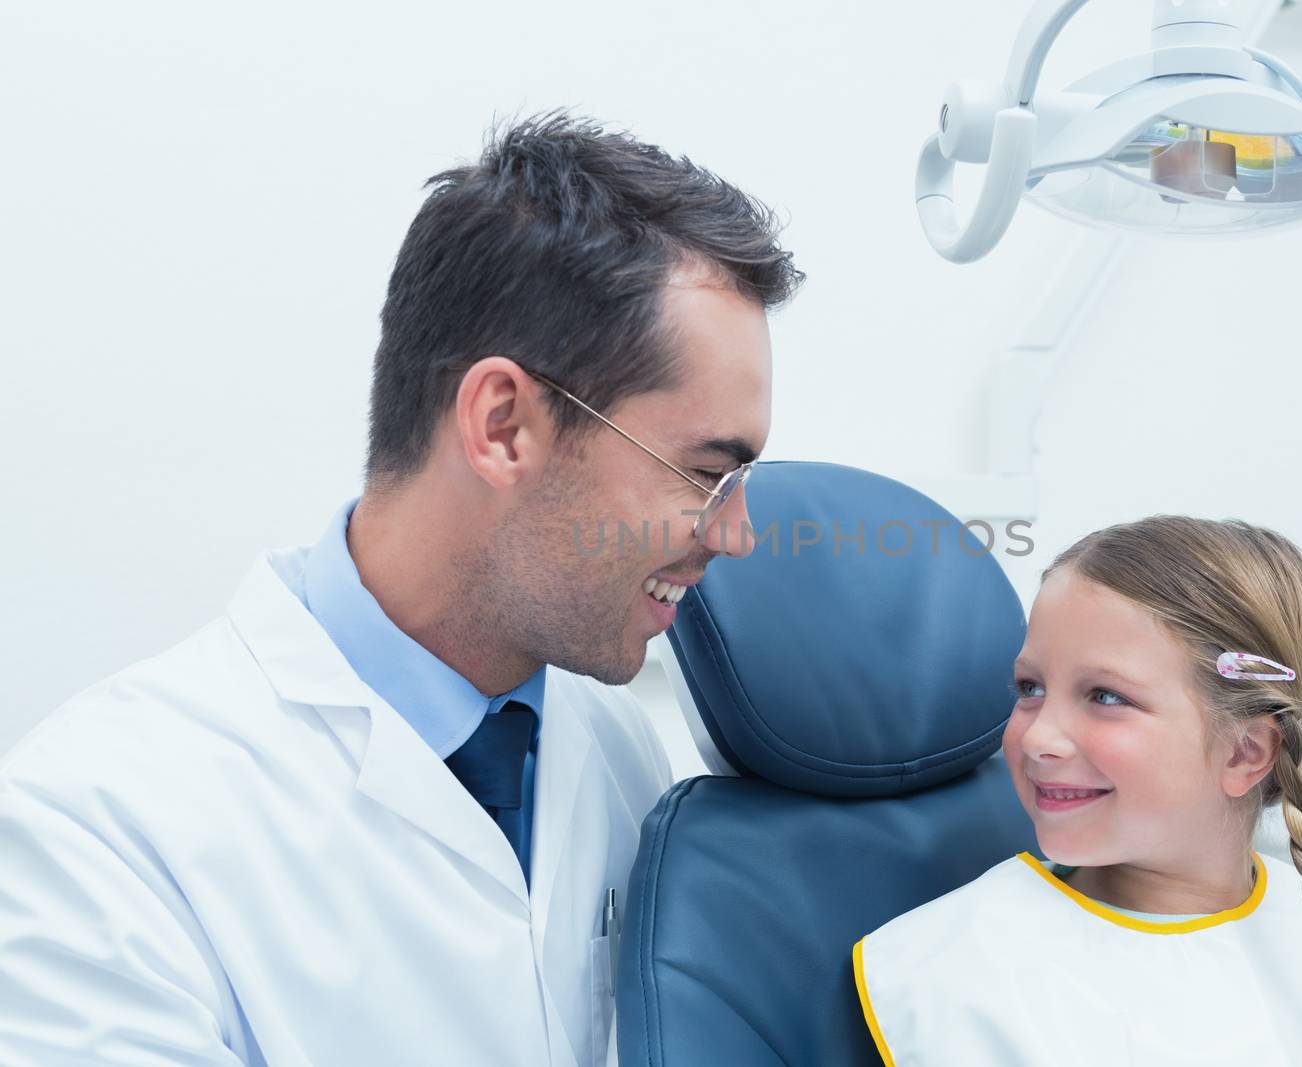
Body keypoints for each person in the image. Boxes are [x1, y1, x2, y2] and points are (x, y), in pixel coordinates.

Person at [0, 112, 801, 1067]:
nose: (736, 532)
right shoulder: (97, 829)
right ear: (503, 425)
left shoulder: (618, 750)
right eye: (705, 473)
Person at [852, 516, 1302, 1065]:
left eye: (1105, 695)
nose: (1038, 738)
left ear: (1246, 751)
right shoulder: (946, 977)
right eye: (1030, 687)